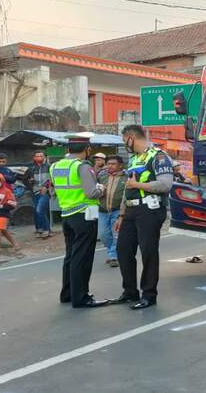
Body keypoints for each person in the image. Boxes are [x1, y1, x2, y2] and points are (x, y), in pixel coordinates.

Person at [111, 125, 174, 310]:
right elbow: (127, 189)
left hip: (150, 209)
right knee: (123, 250)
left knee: (148, 252)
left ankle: (149, 295)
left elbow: (165, 184)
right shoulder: (134, 159)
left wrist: (138, 184)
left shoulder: (159, 156)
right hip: (130, 211)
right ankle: (130, 292)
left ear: (131, 138)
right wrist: (121, 214)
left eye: (124, 141)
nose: (125, 145)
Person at [50, 134, 108, 308]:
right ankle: (81, 297)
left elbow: (54, 190)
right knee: (82, 257)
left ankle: (67, 294)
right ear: (87, 150)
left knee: (70, 256)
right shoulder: (82, 167)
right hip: (84, 214)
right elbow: (91, 192)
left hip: (66, 214)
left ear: (68, 149)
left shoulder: (55, 166)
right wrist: (102, 188)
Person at [97, 155, 125, 268]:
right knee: (103, 235)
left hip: (117, 210)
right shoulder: (101, 176)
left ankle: (114, 256)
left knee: (116, 234)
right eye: (109, 164)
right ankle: (113, 251)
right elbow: (95, 189)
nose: (110, 166)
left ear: (120, 165)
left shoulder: (126, 177)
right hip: (102, 210)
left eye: (113, 164)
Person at [25, 150, 52, 239]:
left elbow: (53, 179)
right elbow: (25, 179)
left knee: (40, 209)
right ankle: (39, 229)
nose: (39, 157)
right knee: (37, 211)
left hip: (45, 192)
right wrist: (30, 184)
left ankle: (46, 229)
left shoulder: (49, 167)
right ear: (34, 158)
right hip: (35, 191)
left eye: (41, 156)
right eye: (37, 156)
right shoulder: (31, 168)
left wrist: (46, 187)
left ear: (44, 157)